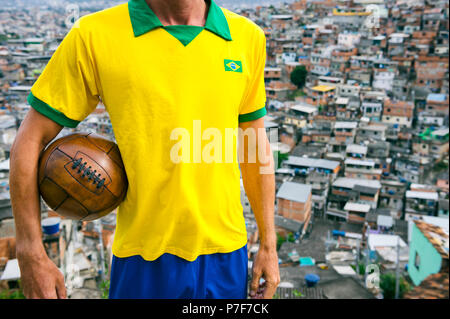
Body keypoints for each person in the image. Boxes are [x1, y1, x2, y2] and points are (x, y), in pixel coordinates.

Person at [10, 0, 279, 299]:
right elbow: (29, 139)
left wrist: (269, 244)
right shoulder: (94, 35)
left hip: (228, 253)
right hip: (143, 256)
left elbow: (255, 149)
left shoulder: (247, 37)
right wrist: (30, 251)